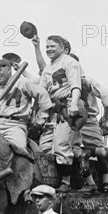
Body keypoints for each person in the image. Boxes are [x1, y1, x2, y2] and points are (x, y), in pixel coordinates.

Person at [38, 35, 84, 192]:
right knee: (44, 146)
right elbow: (41, 90)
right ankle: (51, 180)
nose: (49, 49)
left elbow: (75, 85)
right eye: (47, 47)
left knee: (61, 144)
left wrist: (73, 104)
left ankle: (66, 182)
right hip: (54, 110)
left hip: (68, 107)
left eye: (53, 46)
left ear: (62, 48)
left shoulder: (70, 62)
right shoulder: (48, 67)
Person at [0, 58, 53, 157]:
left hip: (14, 126)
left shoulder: (23, 82)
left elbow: (43, 96)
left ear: (9, 69)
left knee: (19, 152)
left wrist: (41, 119)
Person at [69, 75, 108, 192]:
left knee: (72, 149)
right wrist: (104, 119)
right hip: (90, 121)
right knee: (99, 150)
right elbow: (107, 98)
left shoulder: (67, 81)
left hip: (73, 120)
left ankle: (89, 183)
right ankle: (106, 182)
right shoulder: (88, 80)